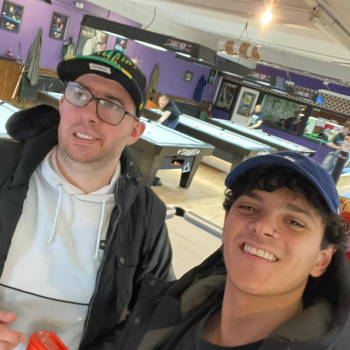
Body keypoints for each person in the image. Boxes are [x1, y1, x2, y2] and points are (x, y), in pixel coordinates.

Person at [0, 50, 173, 350]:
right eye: (80, 94)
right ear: (63, 103)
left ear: (134, 131)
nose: (88, 113)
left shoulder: (147, 215)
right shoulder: (2, 164)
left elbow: (154, 317)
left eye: (111, 105)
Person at [117, 151, 350, 350]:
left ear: (322, 259)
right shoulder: (166, 309)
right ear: (226, 226)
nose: (262, 226)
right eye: (249, 207)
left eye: (294, 222)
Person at [152, 94, 181, 186]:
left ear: (166, 102)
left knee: (167, 132)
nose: (160, 105)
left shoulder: (170, 107)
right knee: (161, 130)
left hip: (174, 119)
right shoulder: (165, 103)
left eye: (161, 103)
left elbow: (165, 116)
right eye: (159, 103)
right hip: (169, 118)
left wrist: (159, 122)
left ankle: (167, 148)